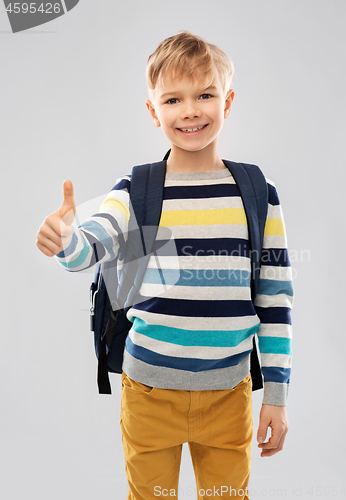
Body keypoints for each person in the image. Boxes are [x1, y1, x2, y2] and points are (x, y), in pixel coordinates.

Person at [36, 30, 293, 500]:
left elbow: (274, 301)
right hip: (149, 392)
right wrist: (65, 240)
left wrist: (275, 395)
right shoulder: (140, 190)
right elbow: (92, 248)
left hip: (228, 393)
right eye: (173, 99)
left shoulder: (257, 192)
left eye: (205, 95)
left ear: (228, 101)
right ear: (154, 111)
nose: (190, 109)